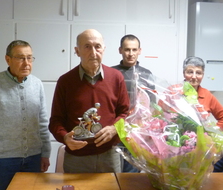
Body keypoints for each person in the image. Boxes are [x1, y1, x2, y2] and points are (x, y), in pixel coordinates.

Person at [49, 29, 130, 173]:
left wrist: (114, 129)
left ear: (104, 49)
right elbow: (56, 120)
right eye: (87, 46)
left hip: (109, 156)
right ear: (77, 51)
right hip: (76, 159)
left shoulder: (116, 78)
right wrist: (65, 138)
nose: (93, 52)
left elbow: (125, 114)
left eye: (97, 46)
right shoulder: (65, 81)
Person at [0, 40, 51, 190]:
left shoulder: (37, 84)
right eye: (20, 58)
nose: (26, 63)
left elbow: (42, 122)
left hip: (34, 158)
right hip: (3, 161)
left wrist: (45, 153)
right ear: (8, 59)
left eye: (29, 57)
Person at [112, 34, 153, 173]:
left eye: (134, 50)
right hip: (114, 131)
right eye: (127, 49)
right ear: (120, 50)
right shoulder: (111, 73)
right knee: (113, 173)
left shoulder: (146, 75)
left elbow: (152, 106)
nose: (130, 54)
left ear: (139, 51)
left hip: (137, 133)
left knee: (132, 176)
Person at [183, 56, 223, 131]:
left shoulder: (207, 95)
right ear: (184, 73)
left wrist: (212, 134)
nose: (194, 76)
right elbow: (159, 116)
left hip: (200, 140)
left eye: (198, 73)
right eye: (190, 72)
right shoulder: (173, 92)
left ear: (203, 75)